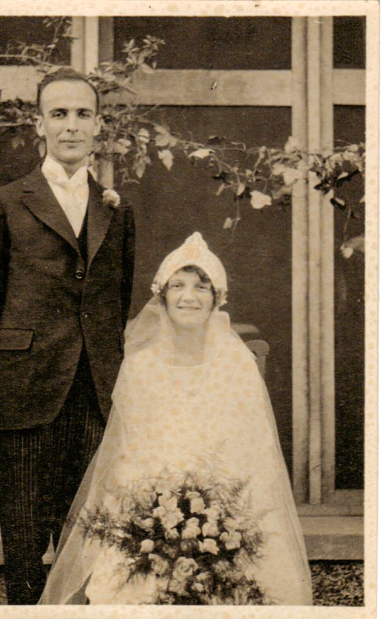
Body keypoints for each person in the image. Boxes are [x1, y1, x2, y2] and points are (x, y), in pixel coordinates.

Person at [39, 232, 313, 606]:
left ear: (217, 298)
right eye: (178, 286)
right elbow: (129, 453)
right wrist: (161, 511)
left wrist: (214, 514)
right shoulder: (141, 366)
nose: (189, 297)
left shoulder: (237, 365)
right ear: (162, 296)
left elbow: (253, 452)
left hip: (226, 500)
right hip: (152, 500)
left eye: (202, 287)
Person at [0, 68, 135, 605]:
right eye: (59, 114)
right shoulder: (4, 203)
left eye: (83, 114)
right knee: (26, 546)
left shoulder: (117, 209)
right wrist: (12, 375)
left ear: (99, 126)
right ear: (40, 124)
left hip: (94, 399)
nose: (71, 126)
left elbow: (116, 300)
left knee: (91, 546)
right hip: (25, 397)